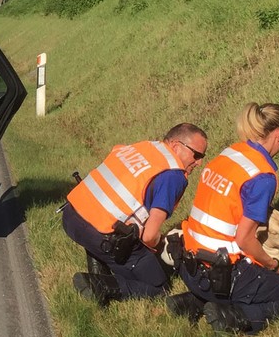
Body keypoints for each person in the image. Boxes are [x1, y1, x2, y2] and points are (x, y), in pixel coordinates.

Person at [167, 102, 279, 335]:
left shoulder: (231, 153)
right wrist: (275, 265)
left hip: (189, 262)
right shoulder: (262, 177)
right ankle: (232, 317)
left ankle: (192, 301)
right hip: (222, 272)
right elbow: (244, 239)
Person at [62, 123, 208, 306]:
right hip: (101, 235)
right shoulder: (173, 176)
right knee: (158, 286)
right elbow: (148, 236)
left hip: (71, 215)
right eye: (197, 155)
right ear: (176, 146)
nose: (199, 162)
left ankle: (98, 265)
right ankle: (99, 284)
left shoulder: (144, 146)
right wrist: (161, 246)